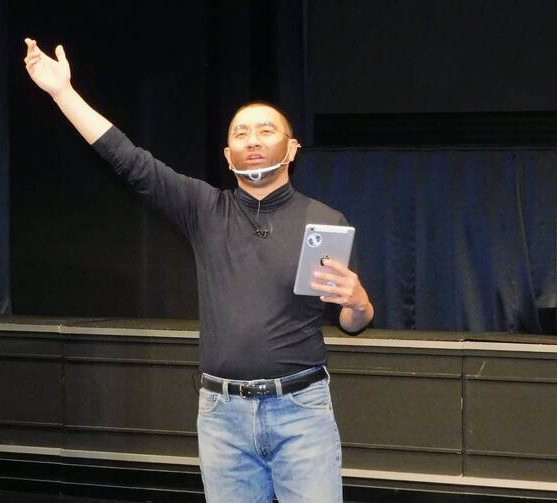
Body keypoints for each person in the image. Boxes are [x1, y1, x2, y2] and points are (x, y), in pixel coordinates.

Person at [23, 37, 374, 503]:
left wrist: (359, 303)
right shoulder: (205, 210)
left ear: (292, 148)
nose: (253, 139)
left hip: (301, 411)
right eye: (241, 133)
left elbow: (352, 323)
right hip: (223, 417)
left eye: (266, 130)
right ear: (227, 155)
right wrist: (62, 92)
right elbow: (130, 160)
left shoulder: (326, 221)